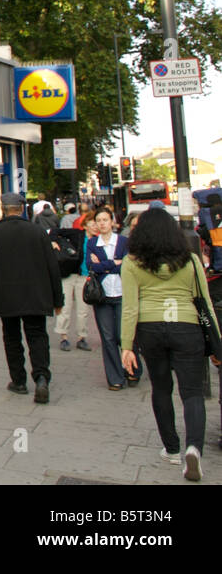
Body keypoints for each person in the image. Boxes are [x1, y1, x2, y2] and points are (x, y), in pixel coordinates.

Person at [120, 207, 222, 481]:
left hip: (150, 329)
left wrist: (126, 346)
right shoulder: (189, 260)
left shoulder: (132, 262)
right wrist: (218, 342)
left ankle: (172, 448)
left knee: (161, 388)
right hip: (187, 327)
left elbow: (130, 307)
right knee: (192, 393)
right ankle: (194, 449)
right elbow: (205, 302)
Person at [0, 192, 63, 403]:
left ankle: (19, 381)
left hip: (7, 297)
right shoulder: (38, 232)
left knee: (12, 338)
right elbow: (53, 266)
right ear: (22, 208)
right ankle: (41, 377)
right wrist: (57, 299)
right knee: (37, 336)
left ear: (3, 209)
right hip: (36, 296)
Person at [87, 205, 142, 390]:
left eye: (105, 220)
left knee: (124, 335)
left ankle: (132, 370)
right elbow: (91, 266)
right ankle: (115, 377)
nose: (102, 224)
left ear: (112, 222)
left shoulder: (124, 241)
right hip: (102, 296)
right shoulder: (92, 243)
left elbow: (127, 265)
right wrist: (113, 263)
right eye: (99, 221)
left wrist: (104, 264)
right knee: (108, 337)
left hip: (122, 294)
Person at [52, 224, 92, 353]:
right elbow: (54, 231)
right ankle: (63, 337)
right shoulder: (77, 234)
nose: (96, 225)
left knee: (83, 309)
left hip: (85, 276)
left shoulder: (98, 239)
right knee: (65, 306)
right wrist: (53, 241)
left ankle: (82, 337)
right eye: (93, 222)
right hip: (69, 273)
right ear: (86, 224)